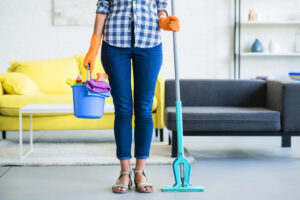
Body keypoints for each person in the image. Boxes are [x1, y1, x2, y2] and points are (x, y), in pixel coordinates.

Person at [83, 0, 180, 193]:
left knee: (144, 107)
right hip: (114, 44)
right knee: (123, 108)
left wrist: (164, 21)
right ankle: (125, 172)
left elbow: (160, 8)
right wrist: (94, 46)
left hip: (150, 44)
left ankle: (140, 171)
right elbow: (103, 9)